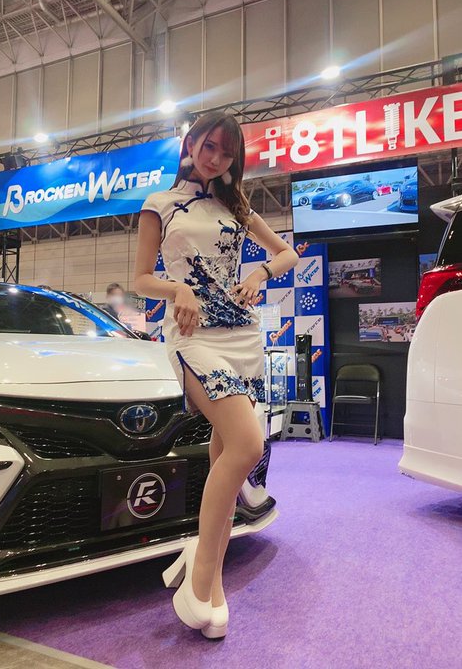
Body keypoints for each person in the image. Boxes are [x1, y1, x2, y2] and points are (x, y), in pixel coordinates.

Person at [133, 111, 298, 639]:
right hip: (193, 336)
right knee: (248, 445)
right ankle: (201, 570)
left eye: (227, 152)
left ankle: (213, 583)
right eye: (210, 146)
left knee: (227, 457)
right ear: (191, 143)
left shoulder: (236, 206)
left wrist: (260, 272)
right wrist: (177, 288)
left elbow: (288, 254)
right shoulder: (160, 204)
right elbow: (140, 279)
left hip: (243, 335)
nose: (216, 158)